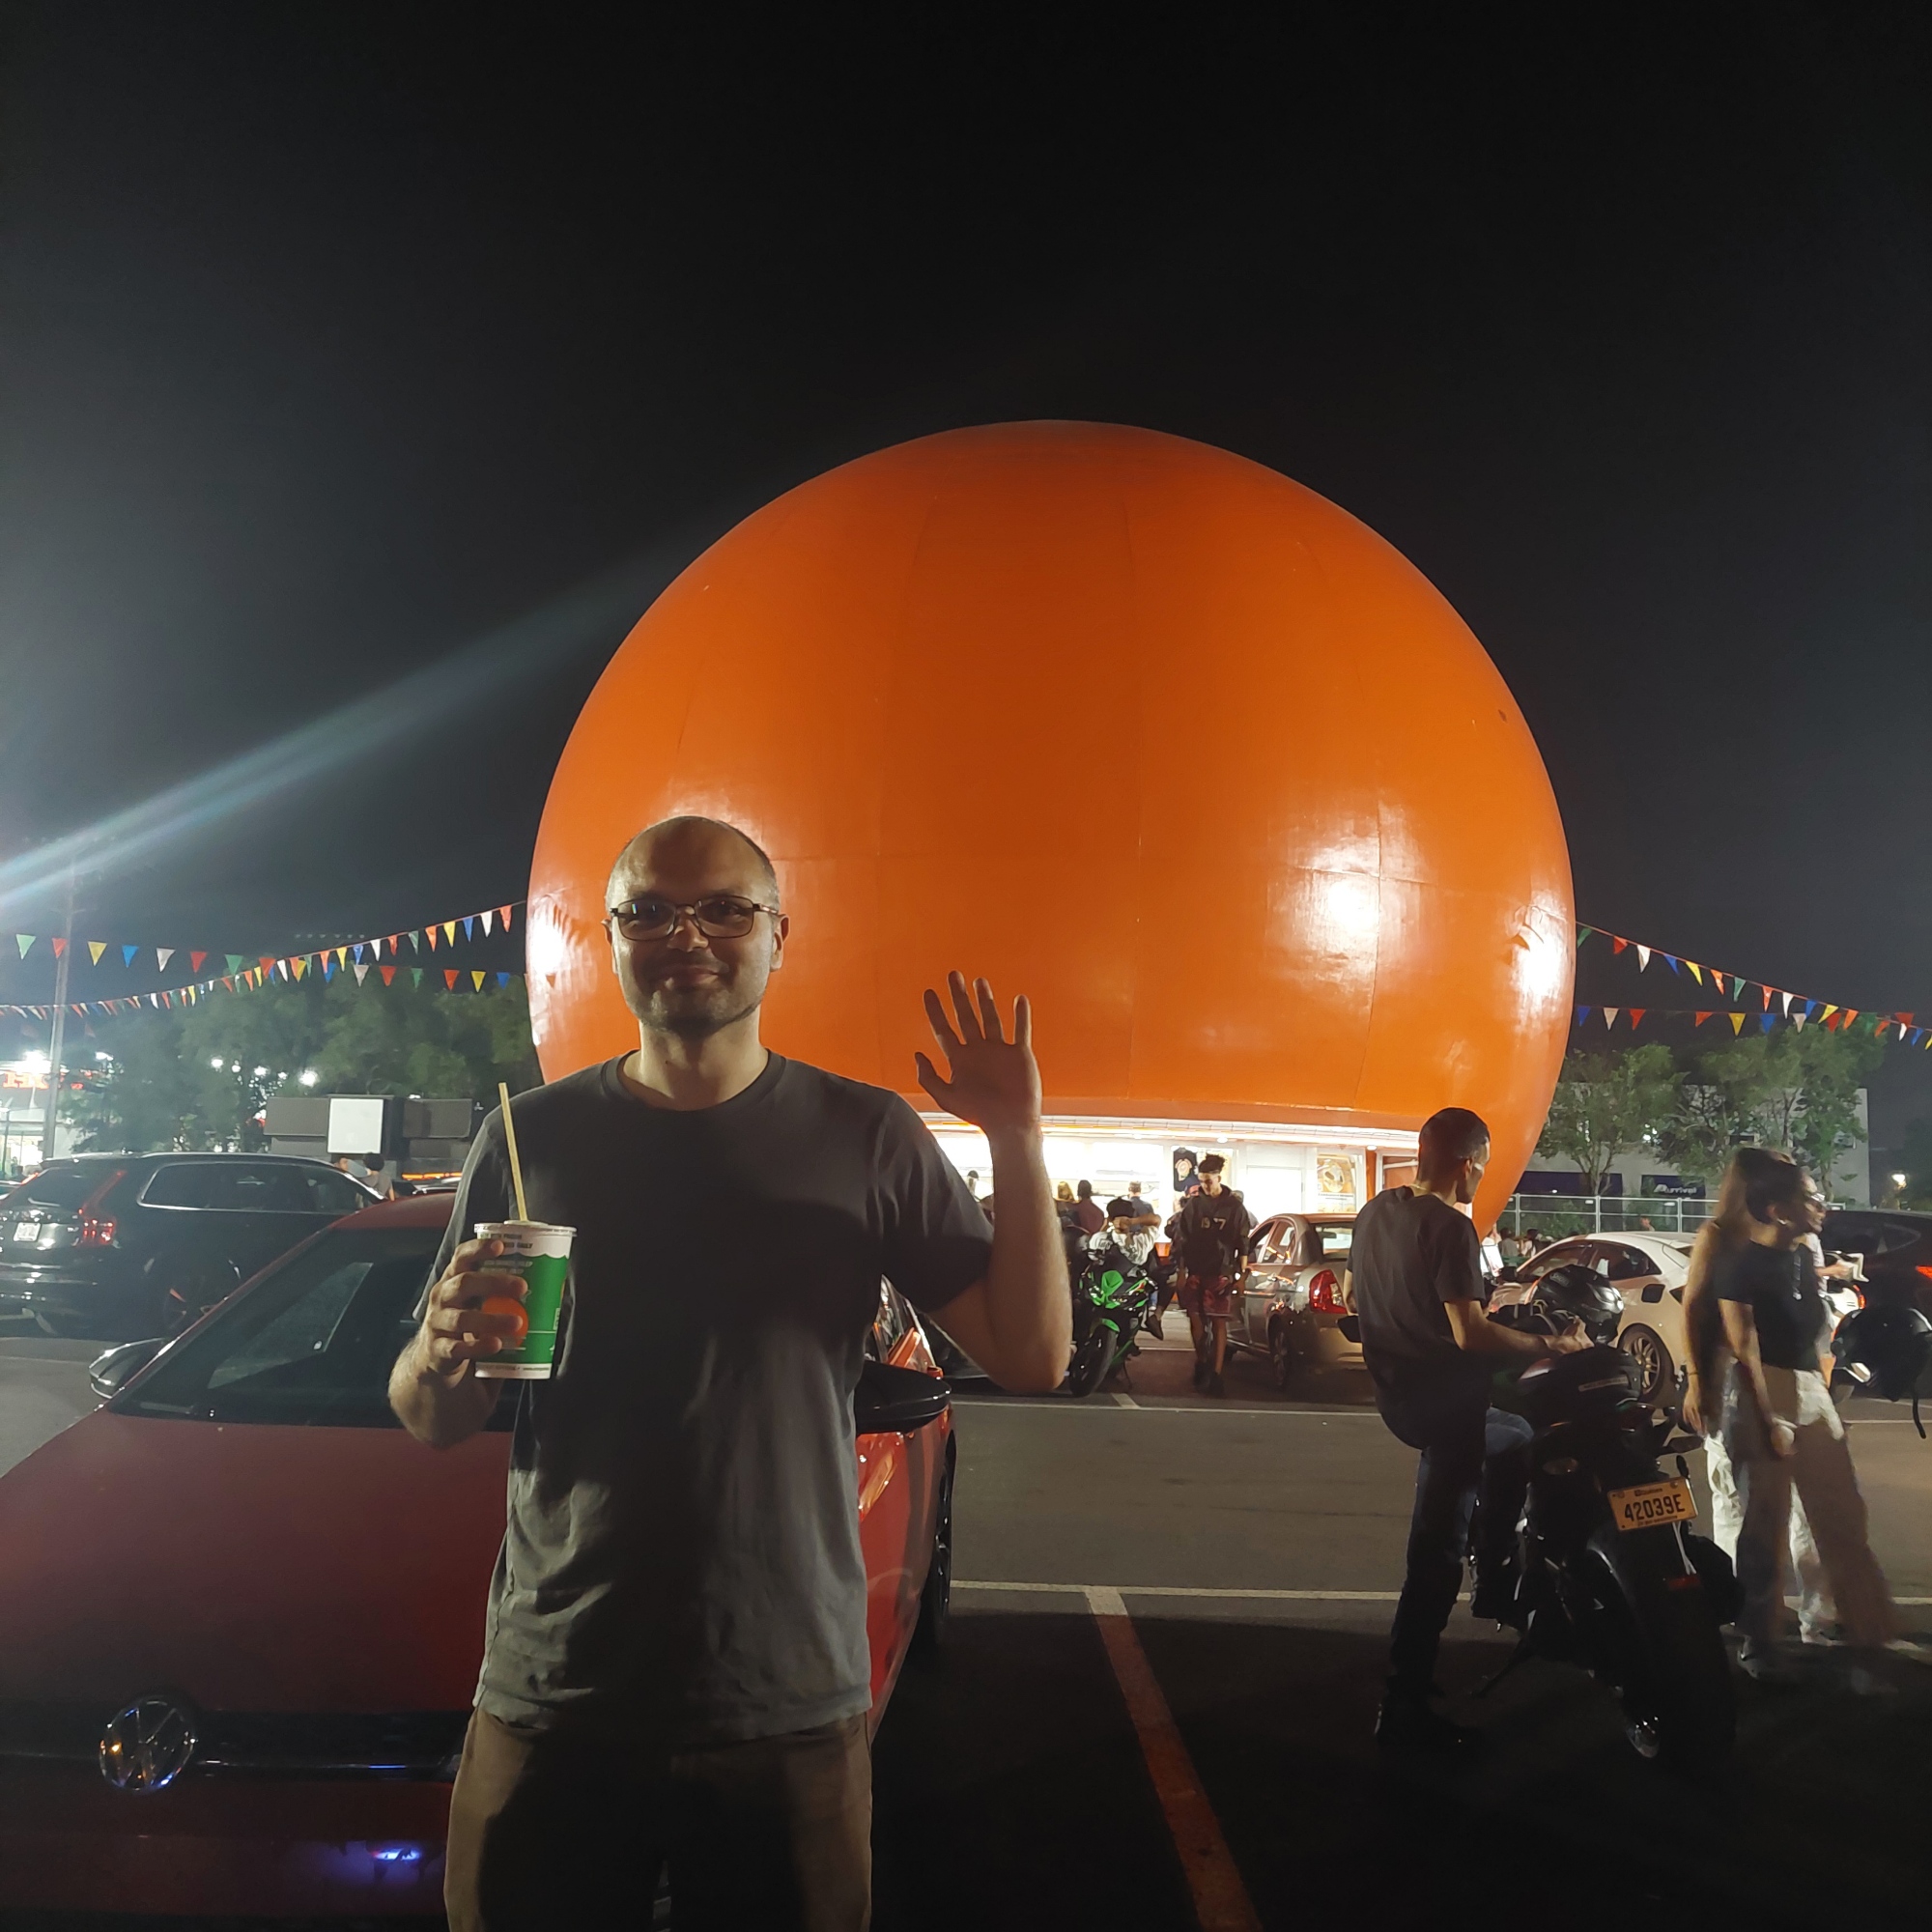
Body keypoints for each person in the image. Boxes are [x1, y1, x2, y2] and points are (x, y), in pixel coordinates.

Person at [390, 815, 1067, 1932]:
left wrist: (1016, 1133)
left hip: (785, 1695)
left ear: (777, 935)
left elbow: (1031, 1355)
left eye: (724, 908)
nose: (686, 934)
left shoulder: (865, 1133)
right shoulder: (533, 1138)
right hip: (555, 1685)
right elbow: (434, 1414)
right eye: (649, 910)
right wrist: (436, 1348)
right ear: (610, 937)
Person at [1347, 1106, 1587, 1750]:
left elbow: (1353, 1294)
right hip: (1445, 1404)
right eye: (1482, 1166)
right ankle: (1404, 1701)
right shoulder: (1452, 1226)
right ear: (1468, 1163)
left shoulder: (1375, 1212)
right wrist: (1550, 1343)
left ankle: (1495, 1571)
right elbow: (1469, 1333)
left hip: (1396, 1397)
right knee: (1435, 1551)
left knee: (1515, 1437)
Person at [1683, 1149, 1896, 1682]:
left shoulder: (1801, 1253)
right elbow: (1737, 1339)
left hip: (1806, 1386)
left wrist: (1824, 1389)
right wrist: (1712, 1389)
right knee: (1761, 1520)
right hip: (1756, 1387)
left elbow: (1812, 1327)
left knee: (1839, 1510)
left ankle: (1850, 1625)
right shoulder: (1728, 1249)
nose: (1821, 1204)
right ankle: (1759, 1636)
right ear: (1775, 1205)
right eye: (1809, 1195)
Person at [1680, 1151, 1835, 1646]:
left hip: (1789, 1377)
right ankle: (1746, 1614)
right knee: (1738, 1500)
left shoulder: (1793, 1243)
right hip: (1731, 1376)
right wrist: (1696, 1380)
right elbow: (1694, 1309)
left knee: (1802, 1505)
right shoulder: (1719, 1236)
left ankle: (1816, 1614)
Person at [1168, 1154, 1253, 1396]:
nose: (1205, 1185)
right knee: (1195, 1319)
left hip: (1221, 1271)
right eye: (1202, 1181)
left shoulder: (1234, 1207)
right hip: (1196, 1269)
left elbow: (1243, 1242)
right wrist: (1181, 1271)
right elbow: (1182, 1239)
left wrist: (1242, 1276)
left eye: (1209, 1180)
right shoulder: (1194, 1205)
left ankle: (1216, 1373)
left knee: (1218, 1322)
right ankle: (1202, 1359)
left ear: (1218, 1177)